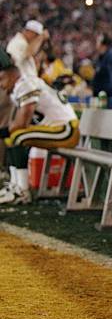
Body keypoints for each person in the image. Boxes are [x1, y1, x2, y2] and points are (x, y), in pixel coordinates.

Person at [0, 48, 79, 204]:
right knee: (14, 136)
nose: (1, 85)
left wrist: (2, 132)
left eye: (1, 79)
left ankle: (22, 190)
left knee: (17, 136)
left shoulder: (25, 84)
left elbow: (22, 122)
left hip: (66, 130)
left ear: (11, 75)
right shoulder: (23, 84)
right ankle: (16, 185)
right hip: (57, 129)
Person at [92, 34, 112, 109]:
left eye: (97, 42)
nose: (96, 44)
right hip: (103, 96)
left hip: (110, 97)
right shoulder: (101, 57)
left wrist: (110, 91)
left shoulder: (110, 57)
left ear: (103, 44)